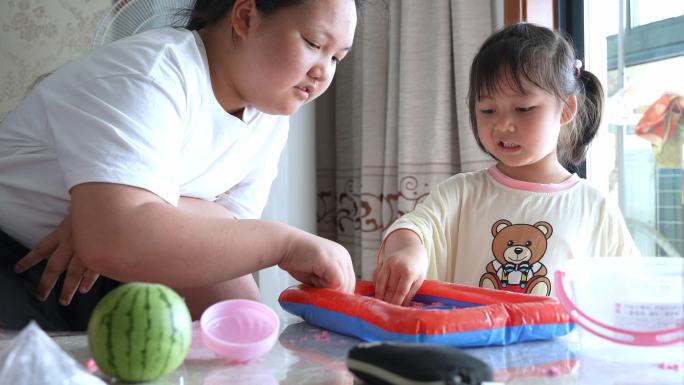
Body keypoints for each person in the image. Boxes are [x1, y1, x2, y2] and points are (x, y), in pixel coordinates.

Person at [0, 0, 361, 331]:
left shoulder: (269, 118)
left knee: (246, 327)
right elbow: (117, 239)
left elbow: (225, 230)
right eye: (314, 44)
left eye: (336, 58)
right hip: (17, 258)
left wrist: (123, 217)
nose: (323, 73)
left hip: (114, 275)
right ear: (246, 16)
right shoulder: (150, 73)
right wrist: (284, 244)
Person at [372, 23, 640, 306]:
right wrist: (408, 252)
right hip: (470, 347)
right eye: (487, 110)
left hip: (557, 351)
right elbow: (414, 228)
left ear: (565, 109)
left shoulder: (595, 207)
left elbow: (628, 290)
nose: (503, 125)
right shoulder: (462, 192)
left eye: (523, 109)